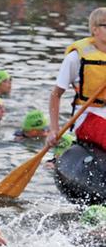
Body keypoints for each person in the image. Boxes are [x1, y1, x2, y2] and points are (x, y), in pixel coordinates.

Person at [49, 8, 106, 151]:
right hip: (87, 116)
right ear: (95, 30)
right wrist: (54, 130)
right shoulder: (75, 58)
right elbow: (56, 95)